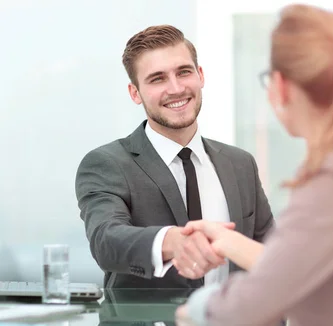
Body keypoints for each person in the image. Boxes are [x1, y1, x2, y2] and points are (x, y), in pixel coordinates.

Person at [173, 4, 333, 326]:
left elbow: (251, 305)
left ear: (280, 86)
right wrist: (228, 242)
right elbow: (311, 266)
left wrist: (195, 308)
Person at [75, 25, 275, 289]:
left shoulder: (241, 164)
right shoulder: (107, 164)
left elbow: (272, 253)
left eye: (184, 72)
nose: (176, 88)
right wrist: (172, 241)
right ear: (135, 93)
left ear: (200, 75)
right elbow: (106, 241)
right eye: (157, 79)